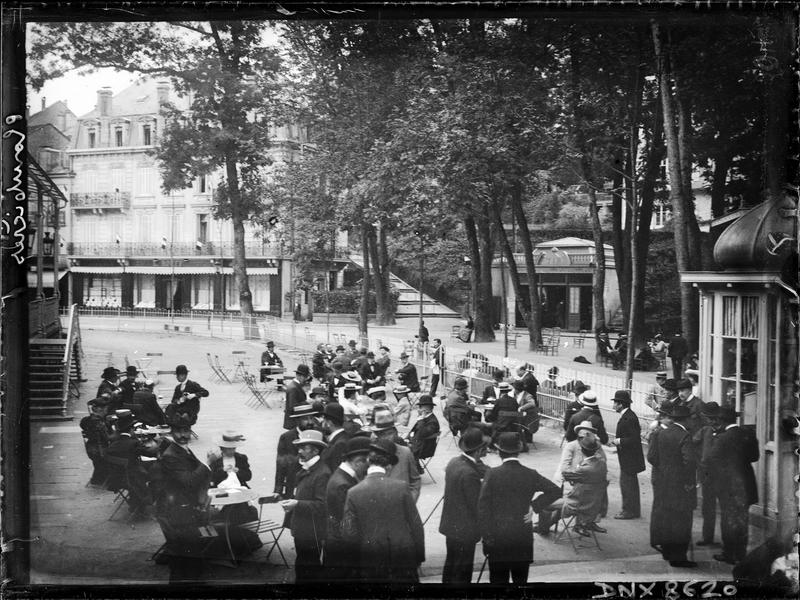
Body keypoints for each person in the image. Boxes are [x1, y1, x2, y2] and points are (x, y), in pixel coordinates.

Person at [478, 432, 561, 584]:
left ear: (499, 451)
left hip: (498, 539)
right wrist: (534, 505)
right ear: (518, 451)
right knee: (520, 582)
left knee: (498, 583)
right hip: (522, 538)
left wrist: (486, 540)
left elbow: (483, 510)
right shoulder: (530, 474)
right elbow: (556, 490)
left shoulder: (492, 474)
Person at [342, 438, 425, 583]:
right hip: (402, 557)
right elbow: (415, 525)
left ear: (368, 464)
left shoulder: (353, 492)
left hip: (371, 559)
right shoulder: (401, 487)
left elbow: (349, 533)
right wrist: (419, 556)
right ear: (389, 466)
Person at [153, 413, 212, 583]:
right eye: (178, 431)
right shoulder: (171, 455)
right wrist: (207, 463)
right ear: (172, 432)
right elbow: (189, 481)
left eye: (186, 430)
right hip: (177, 512)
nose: (183, 435)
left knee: (188, 553)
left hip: (183, 508)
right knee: (183, 555)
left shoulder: (181, 449)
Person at [708, 405, 759, 564]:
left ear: (721, 421)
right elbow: (755, 457)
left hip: (728, 486)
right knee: (742, 519)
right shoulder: (748, 434)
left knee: (728, 519)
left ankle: (729, 553)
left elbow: (712, 459)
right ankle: (740, 554)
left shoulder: (721, 438)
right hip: (746, 484)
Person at [648, 404, 697, 568]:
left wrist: (665, 470)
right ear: (686, 419)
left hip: (664, 483)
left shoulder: (661, 433)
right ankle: (679, 557)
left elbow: (653, 457)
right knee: (682, 521)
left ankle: (668, 552)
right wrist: (689, 482)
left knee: (668, 519)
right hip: (680, 486)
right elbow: (689, 461)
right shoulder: (685, 435)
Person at [439, 427, 490, 584]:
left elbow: (483, 469)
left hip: (451, 526)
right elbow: (477, 506)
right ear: (478, 450)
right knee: (462, 571)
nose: (487, 450)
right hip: (465, 530)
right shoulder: (470, 474)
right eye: (484, 448)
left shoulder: (454, 462)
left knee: (451, 564)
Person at [280, 429, 331, 583]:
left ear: (315, 451)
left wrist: (297, 504)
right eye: (299, 447)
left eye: (304, 448)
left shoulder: (322, 473)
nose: (299, 451)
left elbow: (322, 505)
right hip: (303, 528)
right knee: (303, 563)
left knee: (308, 566)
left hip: (311, 531)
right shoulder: (307, 468)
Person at [537, 432, 608, 537]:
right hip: (593, 504)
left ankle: (543, 529)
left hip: (579, 504)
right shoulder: (602, 464)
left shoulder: (583, 469)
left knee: (545, 504)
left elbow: (565, 473)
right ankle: (546, 525)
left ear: (582, 450)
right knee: (561, 501)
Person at [206, 431, 262, 557]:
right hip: (222, 491)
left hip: (238, 490)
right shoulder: (216, 459)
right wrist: (222, 471)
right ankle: (234, 542)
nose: (231, 451)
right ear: (222, 448)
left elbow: (248, 476)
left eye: (233, 448)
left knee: (242, 509)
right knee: (231, 511)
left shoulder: (241, 458)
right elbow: (211, 478)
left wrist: (238, 471)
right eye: (228, 449)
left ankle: (243, 541)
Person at [324, 436, 371, 581]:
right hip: (343, 551)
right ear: (358, 462)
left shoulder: (342, 477)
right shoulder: (343, 484)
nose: (368, 469)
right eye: (367, 465)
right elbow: (349, 524)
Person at [105, 410, 152, 518]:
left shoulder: (113, 442)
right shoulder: (133, 443)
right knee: (157, 470)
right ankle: (146, 501)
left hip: (116, 478)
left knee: (148, 465)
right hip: (131, 479)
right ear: (131, 430)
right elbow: (149, 453)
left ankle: (137, 501)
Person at [368, 408, 421, 502]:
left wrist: (411, 501)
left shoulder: (405, 452)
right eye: (382, 434)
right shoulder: (371, 454)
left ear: (395, 433)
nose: (387, 438)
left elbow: (415, 480)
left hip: (402, 503)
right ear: (377, 435)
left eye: (389, 433)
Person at [611, 390, 645, 519]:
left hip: (629, 458)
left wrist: (619, 441)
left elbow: (634, 439)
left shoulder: (629, 418)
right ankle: (633, 510)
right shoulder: (628, 415)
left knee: (627, 485)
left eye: (615, 402)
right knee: (630, 484)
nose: (613, 405)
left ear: (620, 404)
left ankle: (628, 511)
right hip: (629, 457)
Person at [274, 404, 319, 499]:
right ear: (297, 420)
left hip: (314, 483)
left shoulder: (318, 434)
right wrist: (278, 489)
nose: (310, 422)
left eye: (311, 418)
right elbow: (281, 464)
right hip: (293, 483)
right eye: (305, 419)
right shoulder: (286, 437)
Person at [693, 401, 720, 547]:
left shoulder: (722, 431)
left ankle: (725, 540)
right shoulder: (706, 430)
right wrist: (699, 461)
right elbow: (693, 443)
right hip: (708, 474)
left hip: (719, 474)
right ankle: (707, 537)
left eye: (712, 418)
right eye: (710, 418)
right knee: (708, 507)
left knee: (721, 507)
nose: (711, 421)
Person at [80, 396, 111, 486]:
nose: (107, 410)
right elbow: (108, 438)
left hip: (91, 449)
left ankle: (98, 478)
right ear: (100, 409)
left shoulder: (86, 420)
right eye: (106, 408)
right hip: (100, 451)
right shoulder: (99, 423)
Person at [407, 395, 440, 473]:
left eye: (421, 407)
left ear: (427, 409)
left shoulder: (432, 421)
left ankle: (413, 471)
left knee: (401, 450)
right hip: (417, 443)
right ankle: (416, 468)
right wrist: (407, 438)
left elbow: (422, 433)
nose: (419, 409)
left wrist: (421, 419)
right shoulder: (424, 418)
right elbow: (414, 430)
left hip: (424, 447)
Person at [319, 402, 350, 472]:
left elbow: (335, 470)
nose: (322, 423)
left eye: (324, 420)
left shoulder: (340, 444)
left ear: (329, 423)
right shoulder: (339, 439)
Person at [283, 364, 311, 430]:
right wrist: (307, 402)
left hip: (295, 419)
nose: (305, 379)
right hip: (293, 421)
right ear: (300, 376)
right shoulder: (294, 388)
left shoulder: (295, 385)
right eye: (305, 377)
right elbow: (293, 407)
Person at [511, 379, 539, 443]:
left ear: (517, 389)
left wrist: (521, 408)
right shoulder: (515, 394)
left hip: (527, 418)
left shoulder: (527, 395)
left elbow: (532, 403)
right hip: (520, 416)